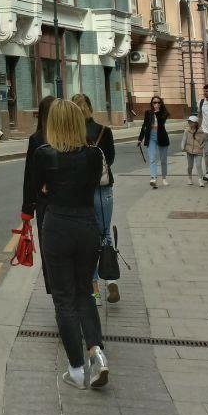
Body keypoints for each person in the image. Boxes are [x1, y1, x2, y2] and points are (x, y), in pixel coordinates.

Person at [33, 98, 110, 390]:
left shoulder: (44, 154)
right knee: (84, 293)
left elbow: (39, 189)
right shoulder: (94, 155)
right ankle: (97, 352)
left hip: (57, 227)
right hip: (86, 226)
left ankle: (77, 370)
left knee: (63, 298)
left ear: (53, 124)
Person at [72, 94, 118, 306]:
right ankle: (110, 280)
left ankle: (95, 292)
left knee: (88, 239)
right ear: (90, 108)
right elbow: (110, 159)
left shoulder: (73, 134)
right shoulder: (104, 131)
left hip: (83, 191)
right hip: (104, 189)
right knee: (105, 233)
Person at [21, 95, 57, 292]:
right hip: (70, 203)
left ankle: (54, 289)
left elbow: (30, 176)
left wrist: (27, 210)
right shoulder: (69, 135)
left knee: (48, 250)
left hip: (45, 205)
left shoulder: (36, 139)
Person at [138, 96, 170, 188]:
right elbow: (144, 126)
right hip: (151, 136)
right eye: (154, 103)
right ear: (151, 104)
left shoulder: (164, 113)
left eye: (158, 102)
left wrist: (157, 112)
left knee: (163, 159)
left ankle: (164, 178)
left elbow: (161, 122)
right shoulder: (148, 113)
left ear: (161, 104)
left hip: (162, 137)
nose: (156, 104)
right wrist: (140, 138)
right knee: (152, 158)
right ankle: (153, 178)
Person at [182, 116, 205, 186]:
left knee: (198, 165)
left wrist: (202, 146)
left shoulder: (201, 131)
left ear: (195, 123)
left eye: (191, 122)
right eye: (189, 121)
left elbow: (205, 140)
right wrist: (182, 147)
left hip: (198, 151)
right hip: (189, 150)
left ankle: (200, 179)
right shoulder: (187, 131)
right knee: (190, 166)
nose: (189, 123)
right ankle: (189, 178)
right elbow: (184, 139)